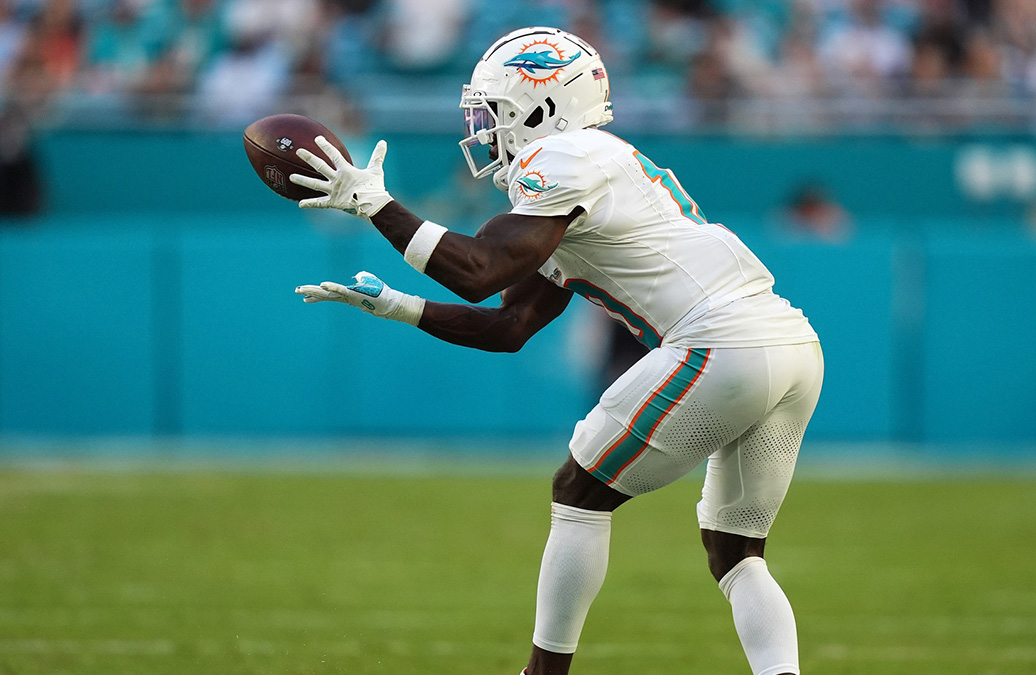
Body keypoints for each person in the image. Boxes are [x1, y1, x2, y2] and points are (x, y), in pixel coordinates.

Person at [292, 27, 823, 675]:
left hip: (722, 340)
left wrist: (379, 207)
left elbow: (480, 269)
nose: (483, 129)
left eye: (493, 111)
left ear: (541, 108)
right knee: (736, 550)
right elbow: (509, 325)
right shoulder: (589, 180)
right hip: (790, 343)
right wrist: (398, 306)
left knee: (578, 490)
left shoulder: (566, 158)